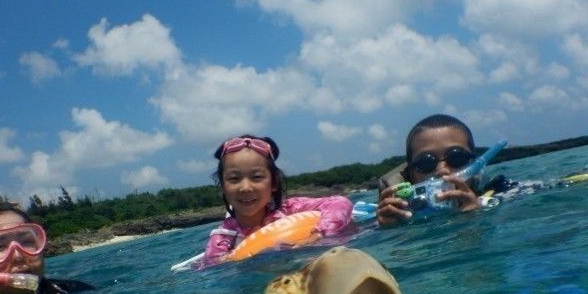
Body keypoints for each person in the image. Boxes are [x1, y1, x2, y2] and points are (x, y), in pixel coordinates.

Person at [203, 135, 354, 263]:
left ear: (274, 183)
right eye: (234, 179)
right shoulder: (222, 239)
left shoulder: (290, 209)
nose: (245, 187)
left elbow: (340, 203)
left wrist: (319, 235)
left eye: (257, 177)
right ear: (223, 187)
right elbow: (212, 268)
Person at [376, 114, 509, 226]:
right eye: (426, 162)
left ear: (474, 163)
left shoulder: (505, 194)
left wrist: (476, 217)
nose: (442, 170)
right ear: (410, 174)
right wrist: (392, 229)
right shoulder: (387, 216)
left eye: (456, 157)